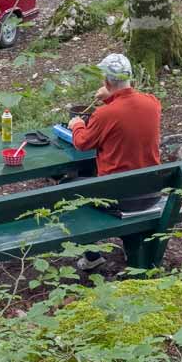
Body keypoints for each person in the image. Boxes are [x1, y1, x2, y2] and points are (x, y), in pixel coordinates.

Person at [67, 53, 163, 271]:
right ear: (131, 78)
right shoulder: (153, 104)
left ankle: (92, 257)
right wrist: (110, 96)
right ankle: (135, 251)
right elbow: (129, 110)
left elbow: (82, 143)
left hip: (119, 199)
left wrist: (77, 125)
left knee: (69, 189)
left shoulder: (104, 114)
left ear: (107, 81)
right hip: (150, 193)